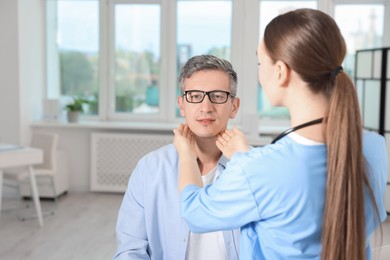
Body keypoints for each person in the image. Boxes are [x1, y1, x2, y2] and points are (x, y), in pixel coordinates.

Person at [173, 8, 388, 260]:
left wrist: (186, 154)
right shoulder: (374, 147)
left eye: (260, 63)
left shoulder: (258, 169)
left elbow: (194, 213)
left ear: (280, 72)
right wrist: (248, 160)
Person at [114, 55, 241, 260]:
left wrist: (246, 162)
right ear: (182, 105)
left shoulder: (255, 167)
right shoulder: (150, 169)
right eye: (195, 95)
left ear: (234, 107)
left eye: (217, 96)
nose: (206, 107)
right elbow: (130, 250)